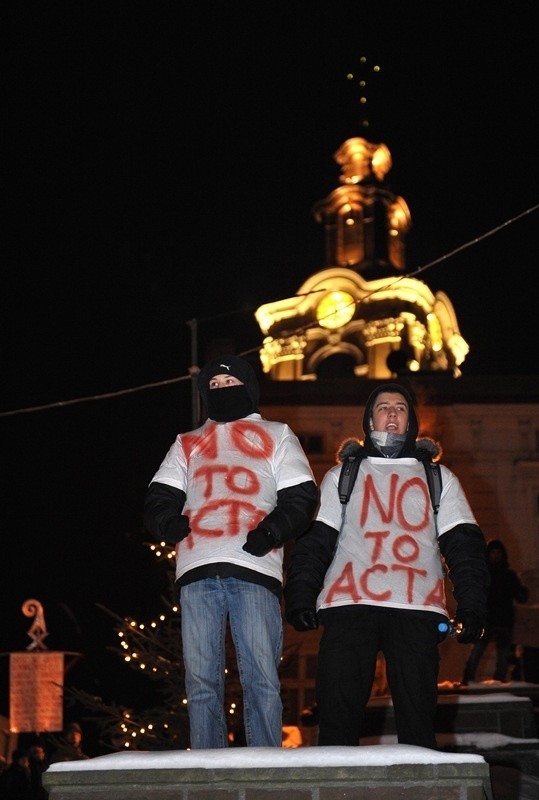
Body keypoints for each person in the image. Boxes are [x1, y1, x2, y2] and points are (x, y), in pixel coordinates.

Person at [284, 382, 490, 750]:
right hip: (349, 606)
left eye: (400, 407)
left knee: (417, 718)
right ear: (369, 417)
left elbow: (465, 548)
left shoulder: (438, 478)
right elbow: (316, 541)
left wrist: (473, 605)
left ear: (411, 420)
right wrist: (300, 594)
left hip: (416, 609)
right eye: (383, 407)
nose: (392, 414)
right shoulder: (341, 476)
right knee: (338, 714)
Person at [143, 354, 318, 748]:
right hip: (198, 568)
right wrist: (169, 522)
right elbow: (157, 497)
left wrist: (271, 532)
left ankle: (265, 765)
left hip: (254, 567)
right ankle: (207, 766)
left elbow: (302, 497)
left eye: (230, 383)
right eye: (215, 386)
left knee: (261, 677)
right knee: (201, 681)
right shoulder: (187, 443)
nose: (222, 391)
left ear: (249, 388)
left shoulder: (277, 433)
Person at [461, 538, 529, 685]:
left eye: (498, 553)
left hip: (502, 621)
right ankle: (469, 680)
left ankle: (496, 682)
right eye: (493, 552)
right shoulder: (486, 575)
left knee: (501, 657)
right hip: (489, 620)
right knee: (478, 653)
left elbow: (520, 595)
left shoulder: (506, 575)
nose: (495, 556)